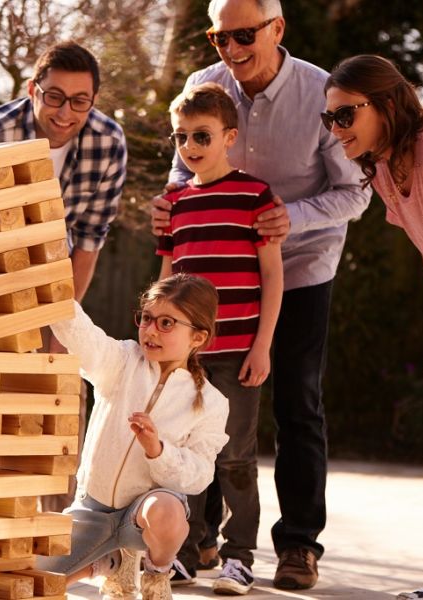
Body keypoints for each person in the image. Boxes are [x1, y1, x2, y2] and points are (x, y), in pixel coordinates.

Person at [150, 0, 371, 590]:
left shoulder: (321, 94)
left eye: (244, 34)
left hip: (296, 267)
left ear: (278, 28)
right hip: (212, 286)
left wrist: (282, 219)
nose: (231, 47)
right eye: (219, 36)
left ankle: (297, 544)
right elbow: (183, 170)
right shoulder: (204, 84)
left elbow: (355, 194)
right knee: (197, 415)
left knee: (296, 404)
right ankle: (201, 545)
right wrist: (169, 201)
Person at [324, 54, 423, 600]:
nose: (335, 129)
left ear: (387, 105)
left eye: (345, 116)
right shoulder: (387, 165)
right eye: (330, 119)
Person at [0, 41, 127, 511]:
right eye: (54, 96)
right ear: (33, 89)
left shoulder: (108, 142)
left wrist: (60, 323)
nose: (65, 112)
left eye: (80, 101)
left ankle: (56, 538)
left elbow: (89, 241)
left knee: (58, 396)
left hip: (52, 281)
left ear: (92, 100)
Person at [156, 82, 283, 595]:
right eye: (180, 136)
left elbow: (272, 275)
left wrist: (263, 344)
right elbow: (165, 279)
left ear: (229, 137)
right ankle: (185, 551)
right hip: (188, 359)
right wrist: (158, 337)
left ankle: (239, 556)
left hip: (238, 354)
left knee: (235, 458)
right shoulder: (174, 203)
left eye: (201, 135)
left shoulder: (256, 196)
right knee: (183, 455)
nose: (189, 146)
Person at [37, 272, 229, 600]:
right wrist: (52, 290)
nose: (151, 330)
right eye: (147, 318)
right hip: (92, 510)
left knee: (166, 510)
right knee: (33, 585)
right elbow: (84, 337)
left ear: (197, 337)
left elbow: (199, 475)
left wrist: (158, 450)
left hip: (144, 518)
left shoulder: (212, 403)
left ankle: (155, 572)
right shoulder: (123, 361)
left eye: (167, 323)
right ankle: (112, 564)